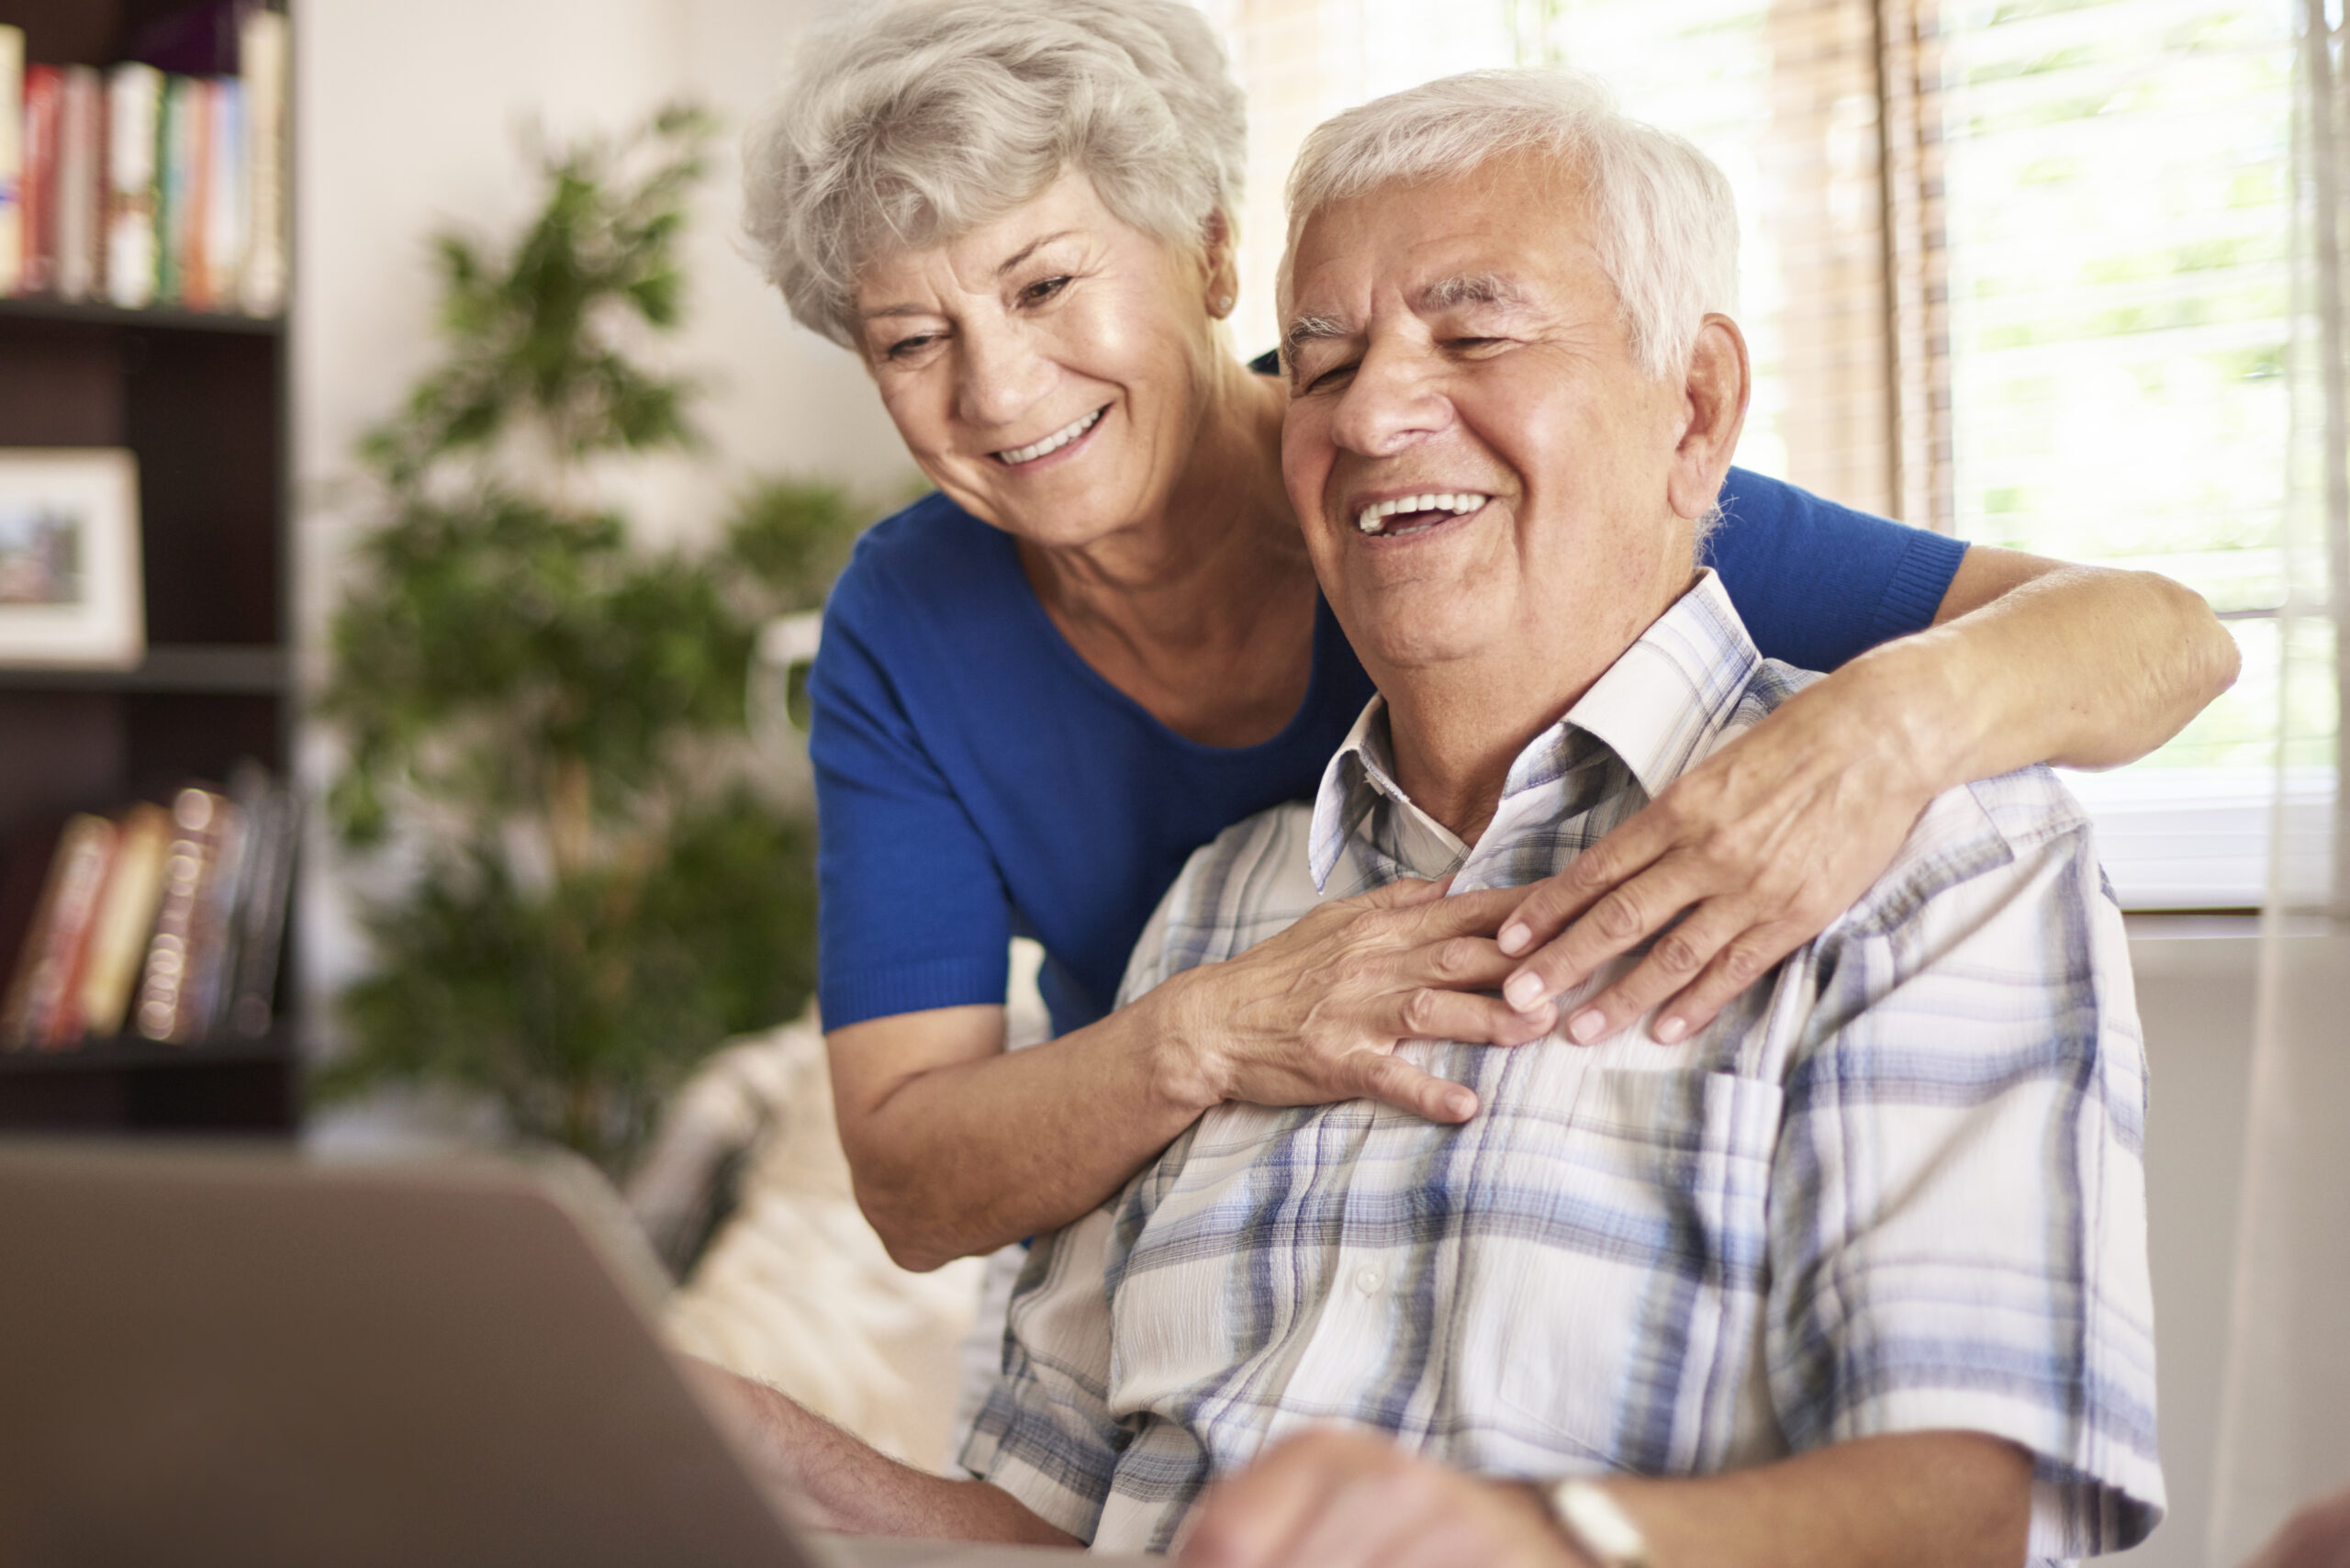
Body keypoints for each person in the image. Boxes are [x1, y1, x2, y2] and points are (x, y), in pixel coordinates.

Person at [704, 69, 2161, 1565]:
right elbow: (1042, 1516)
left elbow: (1967, 1517)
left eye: (1476, 335)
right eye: (1323, 361)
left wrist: (1887, 735)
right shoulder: (1206, 913)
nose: (1385, 409)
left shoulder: (1931, 852)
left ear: (1696, 409)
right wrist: (763, 1460)